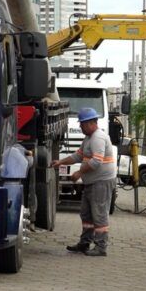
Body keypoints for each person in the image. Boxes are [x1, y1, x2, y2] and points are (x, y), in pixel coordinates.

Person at [50, 107, 117, 256]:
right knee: (86, 214)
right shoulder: (89, 138)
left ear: (90, 123)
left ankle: (101, 247)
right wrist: (60, 162)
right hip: (92, 182)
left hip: (101, 182)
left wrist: (79, 172)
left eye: (82, 124)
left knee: (99, 214)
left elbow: (96, 162)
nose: (80, 127)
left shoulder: (98, 138)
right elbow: (78, 156)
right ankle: (85, 243)